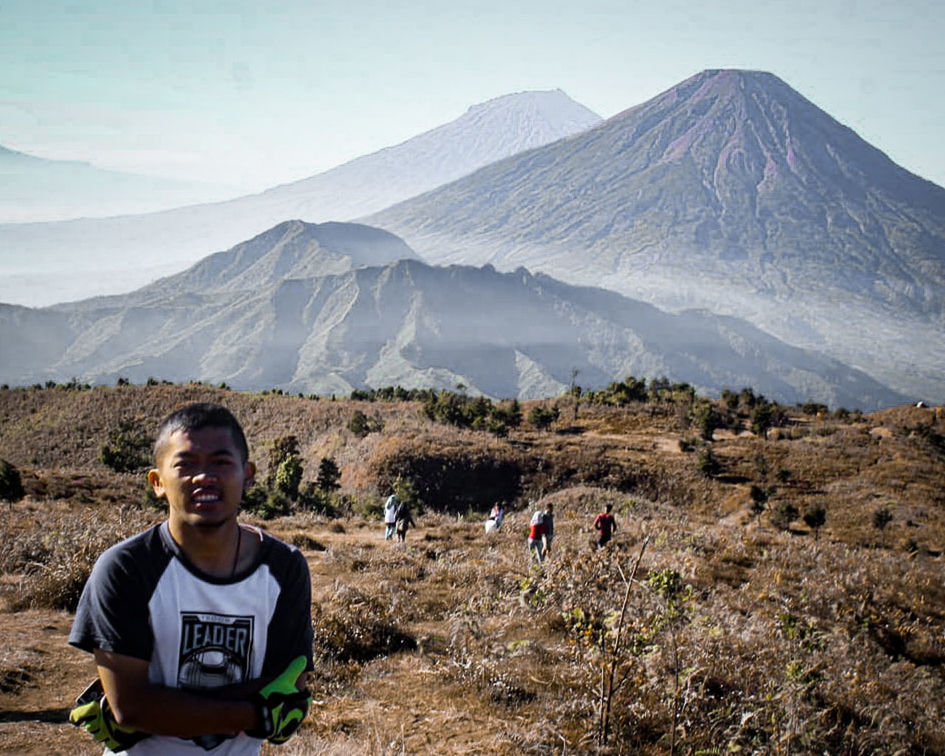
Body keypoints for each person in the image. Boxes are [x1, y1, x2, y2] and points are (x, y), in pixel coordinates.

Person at [68, 403, 314, 754]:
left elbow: (289, 692)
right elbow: (131, 708)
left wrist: (164, 707)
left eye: (220, 462)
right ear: (157, 482)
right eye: (186, 464)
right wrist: (255, 711)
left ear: (247, 475)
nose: (204, 476)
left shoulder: (283, 568)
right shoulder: (127, 567)